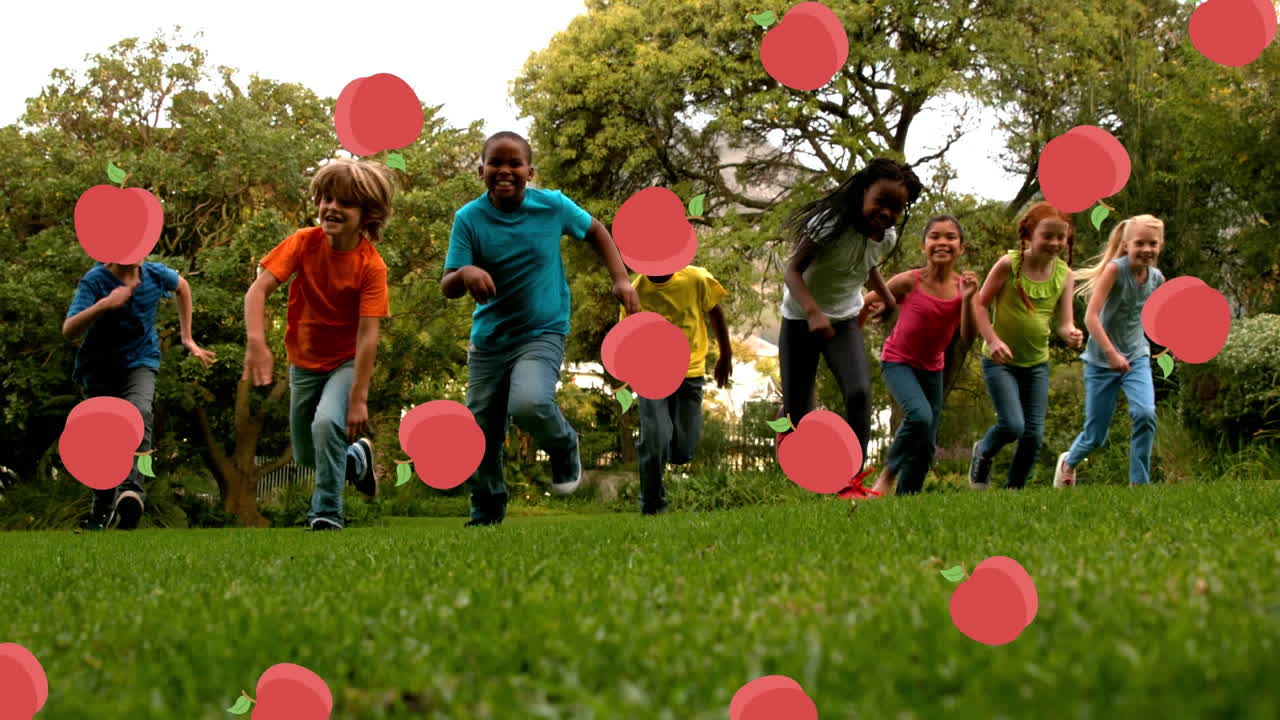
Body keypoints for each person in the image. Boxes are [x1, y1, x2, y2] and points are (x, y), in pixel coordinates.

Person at [441, 131, 641, 527]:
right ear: (481, 170)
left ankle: (564, 445)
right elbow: (447, 285)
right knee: (480, 429)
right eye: (495, 163)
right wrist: (466, 271)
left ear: (529, 171)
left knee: (529, 402)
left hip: (541, 332)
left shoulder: (552, 206)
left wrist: (620, 278)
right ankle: (487, 509)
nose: (505, 170)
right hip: (489, 342)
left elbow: (597, 231)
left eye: (514, 163)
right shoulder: (469, 219)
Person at [242, 158, 391, 531]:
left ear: (367, 214)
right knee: (308, 454)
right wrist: (257, 343)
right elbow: (258, 290)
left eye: (345, 202)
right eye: (326, 198)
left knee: (327, 425)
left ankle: (325, 512)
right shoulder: (303, 243)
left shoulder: (371, 266)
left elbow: (368, 333)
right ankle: (356, 460)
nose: (332, 207)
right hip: (304, 363)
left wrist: (358, 396)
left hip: (345, 362)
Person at [776, 157, 924, 497]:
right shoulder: (829, 225)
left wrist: (887, 299)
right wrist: (813, 312)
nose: (887, 213)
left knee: (858, 393)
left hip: (844, 320)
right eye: (882, 202)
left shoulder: (885, 237)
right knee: (799, 411)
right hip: (800, 320)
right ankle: (801, 463)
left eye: (897, 208)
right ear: (863, 191)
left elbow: (866, 265)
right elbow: (792, 271)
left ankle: (849, 479)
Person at [64, 258, 217, 530]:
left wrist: (187, 338)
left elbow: (183, 286)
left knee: (138, 412)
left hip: (141, 361)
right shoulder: (95, 280)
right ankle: (100, 513)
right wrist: (104, 304)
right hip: (99, 370)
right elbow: (69, 329)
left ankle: (131, 493)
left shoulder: (155, 273)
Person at [858, 215, 979, 496]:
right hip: (898, 361)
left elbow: (969, 335)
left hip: (932, 368)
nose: (942, 242)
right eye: (935, 236)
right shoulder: (909, 281)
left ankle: (906, 500)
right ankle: (887, 476)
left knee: (926, 444)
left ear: (961, 247)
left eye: (950, 237)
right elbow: (866, 301)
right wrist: (852, 332)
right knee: (920, 417)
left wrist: (970, 298)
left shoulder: (964, 288)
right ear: (923, 246)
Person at [969, 201, 1084, 490]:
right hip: (1000, 363)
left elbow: (1063, 321)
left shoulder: (1064, 275)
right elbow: (979, 306)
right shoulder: (1009, 264)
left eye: (1061, 237)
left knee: (1033, 435)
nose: (1055, 243)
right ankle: (983, 452)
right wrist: (992, 340)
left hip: (1037, 364)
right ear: (1029, 236)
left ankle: (1014, 491)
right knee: (1012, 426)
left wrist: (1071, 332)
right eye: (1048, 236)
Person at [1055, 215, 1166, 487]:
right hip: (1100, 361)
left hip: (1137, 356)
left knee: (1145, 414)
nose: (1146, 249)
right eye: (1140, 243)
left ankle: (1139, 484)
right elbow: (1091, 317)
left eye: (1152, 243)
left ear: (1160, 246)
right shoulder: (1115, 271)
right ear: (1127, 244)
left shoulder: (1157, 278)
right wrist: (1111, 352)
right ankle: (1069, 462)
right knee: (1096, 435)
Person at [620, 264, 732, 515]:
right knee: (655, 437)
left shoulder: (697, 278)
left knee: (682, 451)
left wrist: (726, 353)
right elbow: (627, 334)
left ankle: (664, 448)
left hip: (690, 373)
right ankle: (652, 506)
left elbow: (715, 311)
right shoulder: (636, 289)